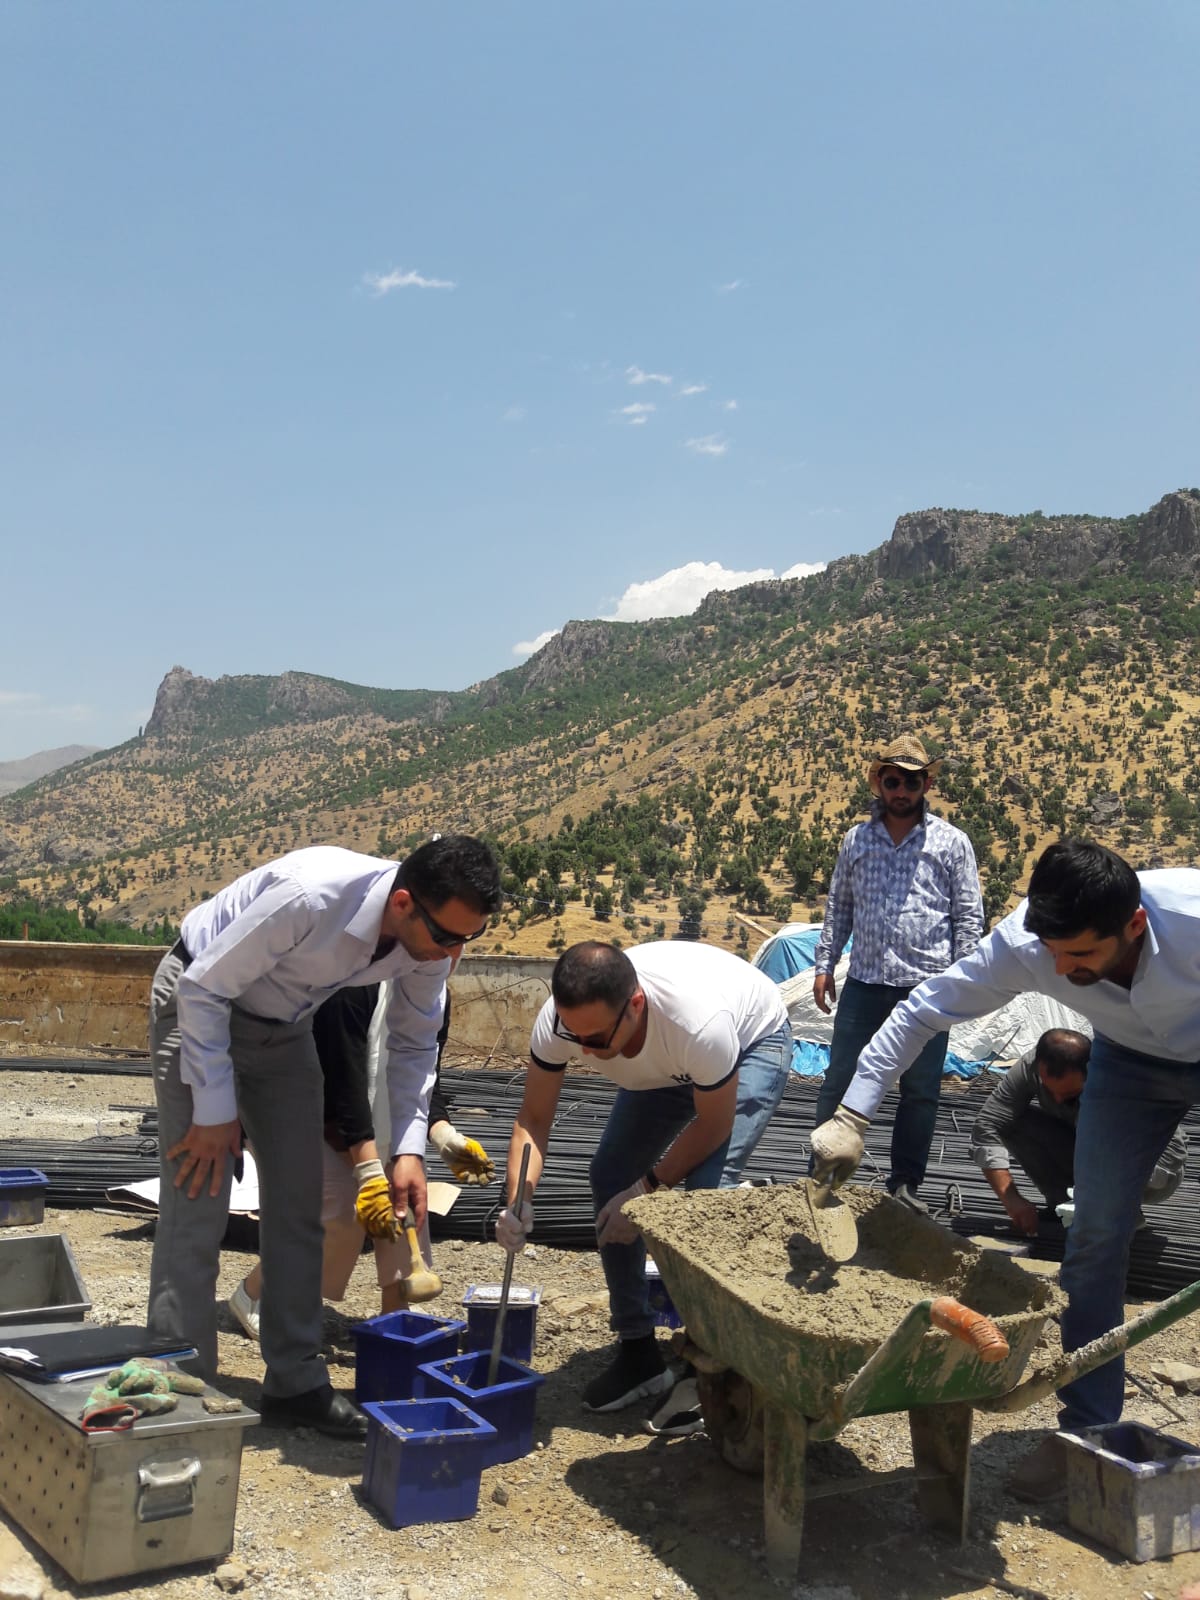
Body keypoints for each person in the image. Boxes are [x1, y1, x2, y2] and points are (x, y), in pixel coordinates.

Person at [810, 838, 1200, 1498]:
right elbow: (923, 1010)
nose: (1060, 968)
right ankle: (1088, 1436)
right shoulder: (1028, 942)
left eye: (1080, 956)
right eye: (1052, 952)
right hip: (1129, 1068)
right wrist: (853, 1114)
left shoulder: (1191, 919)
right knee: (1096, 1238)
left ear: (1133, 925)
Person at [147, 835, 502, 1438]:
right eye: (447, 937)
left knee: (300, 1206)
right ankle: (180, 1379)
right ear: (403, 904)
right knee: (197, 1200)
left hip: (283, 1029)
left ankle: (294, 1382)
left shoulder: (429, 947)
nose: (454, 953)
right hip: (199, 1009)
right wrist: (214, 1112)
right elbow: (203, 989)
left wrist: (409, 1151)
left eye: (469, 938)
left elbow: (414, 1043)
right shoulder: (311, 896)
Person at [498, 939, 792, 1420]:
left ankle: (709, 1372)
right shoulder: (562, 1022)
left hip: (750, 1042)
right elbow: (533, 1118)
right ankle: (639, 1352)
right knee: (609, 1173)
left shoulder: (698, 1025)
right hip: (665, 1068)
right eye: (575, 1037)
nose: (584, 1049)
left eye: (594, 1040)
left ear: (635, 1005)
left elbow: (713, 1126)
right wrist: (518, 1199)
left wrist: (645, 1193)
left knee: (705, 1200)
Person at [226, 980, 494, 1337]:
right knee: (339, 1206)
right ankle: (254, 1293)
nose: (449, 952)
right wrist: (368, 1169)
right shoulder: (353, 985)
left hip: (370, 1112)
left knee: (405, 1194)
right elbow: (341, 1083)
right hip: (305, 1105)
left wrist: (443, 1135)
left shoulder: (432, 992)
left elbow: (424, 1078)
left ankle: (395, 1314)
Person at [811, 733, 984, 1211]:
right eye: (893, 780)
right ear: (878, 783)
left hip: (927, 987)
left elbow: (968, 915)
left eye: (911, 781)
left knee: (921, 1090)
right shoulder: (857, 840)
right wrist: (824, 965)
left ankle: (905, 1184)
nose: (901, 791)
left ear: (926, 783)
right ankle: (822, 1174)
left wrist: (966, 980)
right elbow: (839, 908)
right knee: (841, 1078)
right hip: (865, 981)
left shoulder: (952, 842)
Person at [970, 1028, 1186, 1236]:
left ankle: (1115, 1213)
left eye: (1071, 1095)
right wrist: (1011, 1199)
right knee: (1013, 1121)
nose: (1057, 1101)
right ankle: (1065, 1203)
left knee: (1097, 1132)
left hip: (1156, 1169)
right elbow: (988, 1123)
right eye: (1049, 1090)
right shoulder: (1030, 1065)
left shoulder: (1118, 1077)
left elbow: (1161, 1161)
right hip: (1088, 1150)